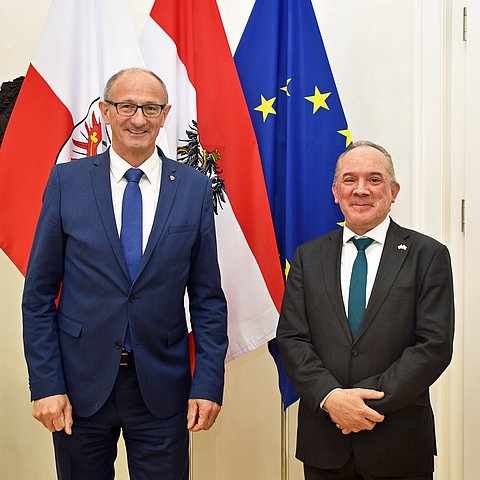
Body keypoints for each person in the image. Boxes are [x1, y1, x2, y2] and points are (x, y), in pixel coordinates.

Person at [22, 67, 228, 479]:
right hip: (79, 386)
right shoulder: (68, 181)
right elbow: (38, 296)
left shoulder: (192, 187)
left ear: (166, 114)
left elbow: (207, 300)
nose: (138, 118)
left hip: (162, 388)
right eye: (127, 106)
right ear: (105, 111)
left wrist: (207, 383)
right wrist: (46, 384)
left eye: (150, 108)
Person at [276, 140, 454, 480]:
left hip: (399, 443)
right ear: (335, 191)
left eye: (374, 179)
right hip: (324, 444)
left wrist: (361, 405)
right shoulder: (307, 258)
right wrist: (331, 399)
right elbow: (293, 338)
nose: (361, 190)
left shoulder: (427, 256)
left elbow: (433, 346)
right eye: (349, 179)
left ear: (393, 191)